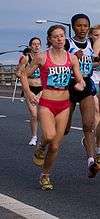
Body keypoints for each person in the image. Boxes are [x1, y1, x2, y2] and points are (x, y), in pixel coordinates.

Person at [19, 24, 85, 190]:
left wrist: (80, 85)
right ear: (49, 39)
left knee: (55, 145)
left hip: (64, 104)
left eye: (62, 36)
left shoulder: (72, 58)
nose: (59, 39)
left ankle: (45, 175)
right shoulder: (42, 57)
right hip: (47, 102)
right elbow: (23, 74)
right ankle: (41, 148)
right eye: (56, 36)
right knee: (48, 136)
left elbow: (80, 79)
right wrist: (29, 93)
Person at [65, 13, 100, 178]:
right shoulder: (67, 43)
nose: (82, 29)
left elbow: (93, 60)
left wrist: (96, 60)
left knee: (88, 125)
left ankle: (91, 161)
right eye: (79, 25)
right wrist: (72, 58)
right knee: (64, 128)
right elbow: (55, 60)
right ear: (73, 27)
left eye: (85, 26)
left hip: (86, 84)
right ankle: (45, 146)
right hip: (70, 85)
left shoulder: (91, 42)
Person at [18, 37, 42, 146]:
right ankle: (34, 136)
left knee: (43, 114)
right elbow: (18, 72)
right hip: (30, 88)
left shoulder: (43, 58)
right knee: (34, 114)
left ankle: (45, 136)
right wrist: (22, 73)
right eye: (34, 44)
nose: (36, 46)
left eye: (38, 44)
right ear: (30, 46)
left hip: (42, 89)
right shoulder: (26, 58)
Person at [88, 25, 100, 163]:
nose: (98, 38)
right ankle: (90, 138)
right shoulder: (87, 48)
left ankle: (97, 146)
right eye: (96, 35)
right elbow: (87, 64)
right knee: (96, 111)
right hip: (92, 81)